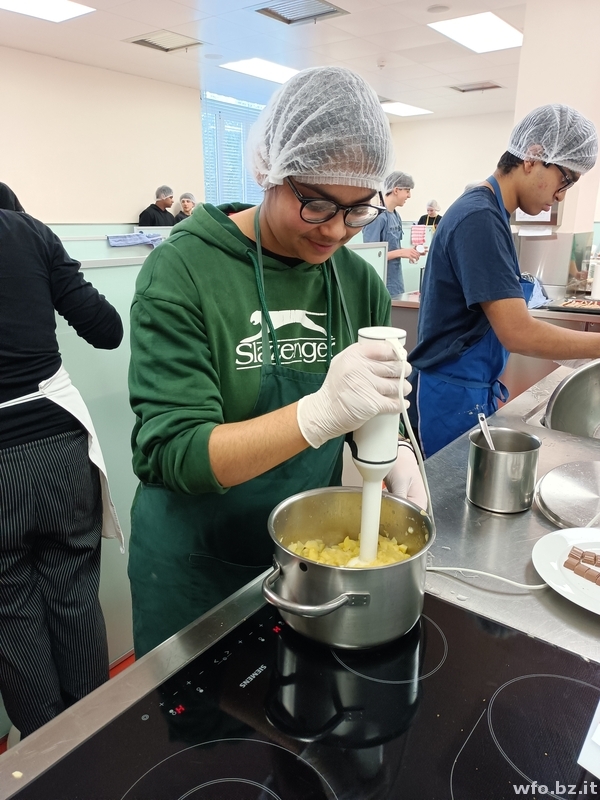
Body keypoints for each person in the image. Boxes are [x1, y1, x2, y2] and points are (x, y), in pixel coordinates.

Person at [128, 66, 427, 658]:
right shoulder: (184, 271)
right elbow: (173, 452)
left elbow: (371, 409)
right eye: (316, 204)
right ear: (269, 169)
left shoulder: (358, 283)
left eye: (358, 210)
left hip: (308, 563)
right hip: (197, 569)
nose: (336, 231)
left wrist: (395, 455)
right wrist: (317, 414)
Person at [408, 103, 600, 458]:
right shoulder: (479, 218)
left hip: (466, 391)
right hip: (450, 397)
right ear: (533, 157)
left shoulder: (492, 213)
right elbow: (518, 332)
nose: (562, 195)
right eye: (566, 179)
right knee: (445, 490)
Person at [0, 189, 123, 738]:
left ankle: (44, 760)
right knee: (74, 596)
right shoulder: (29, 232)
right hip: (57, 449)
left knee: (10, 613)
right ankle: (92, 743)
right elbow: (107, 330)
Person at [362, 171, 422, 298]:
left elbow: (393, 247)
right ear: (396, 190)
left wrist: (410, 251)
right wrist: (401, 252)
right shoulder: (377, 217)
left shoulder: (396, 216)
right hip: (381, 283)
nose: (409, 196)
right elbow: (372, 256)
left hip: (395, 282)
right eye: (407, 191)